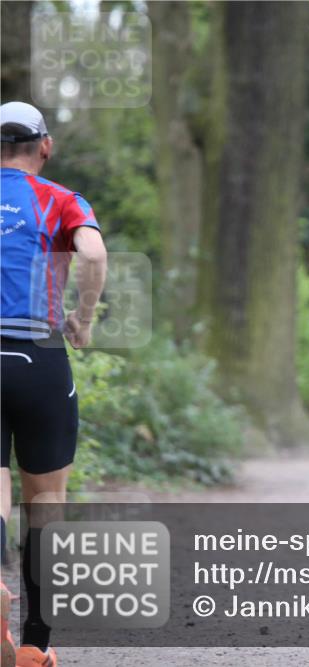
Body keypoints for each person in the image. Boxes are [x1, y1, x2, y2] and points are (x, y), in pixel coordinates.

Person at [1, 101, 108, 667]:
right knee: (46, 499)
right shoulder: (61, 199)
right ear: (45, 147)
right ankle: (36, 645)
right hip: (38, 352)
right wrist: (83, 320)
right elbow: (92, 251)